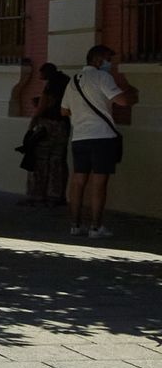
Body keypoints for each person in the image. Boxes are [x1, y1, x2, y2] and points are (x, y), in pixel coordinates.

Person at [65, 44, 137, 240]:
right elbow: (123, 101)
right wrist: (132, 93)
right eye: (108, 59)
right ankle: (96, 227)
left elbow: (64, 110)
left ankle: (75, 225)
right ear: (98, 60)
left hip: (79, 137)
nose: (109, 64)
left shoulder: (73, 80)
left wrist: (80, 114)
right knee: (99, 183)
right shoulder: (103, 77)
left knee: (78, 181)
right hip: (102, 137)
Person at [24, 62, 71, 207]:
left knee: (40, 161)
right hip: (63, 125)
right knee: (58, 162)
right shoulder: (67, 82)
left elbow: (43, 106)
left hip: (47, 126)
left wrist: (31, 127)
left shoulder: (51, 85)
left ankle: (36, 195)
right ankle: (55, 196)